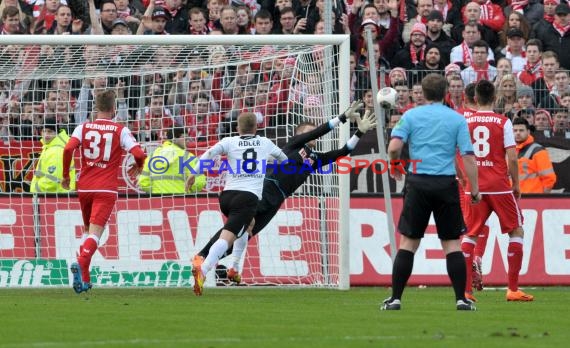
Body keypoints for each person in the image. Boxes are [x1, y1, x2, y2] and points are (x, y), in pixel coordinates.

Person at [194, 102, 376, 283]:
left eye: (311, 131)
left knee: (246, 232)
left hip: (278, 199)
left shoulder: (314, 159)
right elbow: (318, 131)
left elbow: (342, 152)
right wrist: (342, 117)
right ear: (299, 134)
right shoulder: (294, 145)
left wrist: (359, 132)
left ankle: (232, 267)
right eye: (307, 131)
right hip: (266, 189)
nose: (311, 133)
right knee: (236, 227)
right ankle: (203, 257)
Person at [382, 73, 480, 311]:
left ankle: (395, 299)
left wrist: (395, 165)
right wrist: (474, 189)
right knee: (452, 244)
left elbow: (394, 147)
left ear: (422, 94)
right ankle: (461, 299)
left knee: (408, 243)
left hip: (418, 184)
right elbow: (467, 156)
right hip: (446, 183)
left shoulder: (410, 115)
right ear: (446, 93)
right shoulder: (457, 119)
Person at [186, 112, 288, 296]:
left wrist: (194, 173)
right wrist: (267, 161)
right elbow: (284, 160)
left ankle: (234, 268)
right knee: (228, 238)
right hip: (247, 198)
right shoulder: (265, 143)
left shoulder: (230, 141)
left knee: (249, 224)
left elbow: (210, 153)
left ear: (237, 128)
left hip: (227, 196)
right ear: (256, 127)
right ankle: (204, 268)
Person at [62, 90, 147, 294]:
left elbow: (67, 150)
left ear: (96, 108)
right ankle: (81, 261)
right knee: (96, 234)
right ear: (114, 109)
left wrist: (66, 175)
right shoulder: (120, 130)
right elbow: (138, 153)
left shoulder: (83, 127)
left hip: (84, 187)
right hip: (106, 188)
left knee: (87, 231)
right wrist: (139, 165)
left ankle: (86, 279)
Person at [461, 80, 534, 302]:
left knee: (470, 235)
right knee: (516, 232)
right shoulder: (503, 122)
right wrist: (516, 184)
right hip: (500, 187)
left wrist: (465, 179)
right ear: (495, 98)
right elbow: (512, 157)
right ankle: (512, 289)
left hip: (473, 187)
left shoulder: (465, 122)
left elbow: (460, 153)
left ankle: (466, 291)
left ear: (474, 98)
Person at [138, 127, 206, 194]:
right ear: (174, 139)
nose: (187, 140)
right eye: (184, 137)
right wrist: (189, 189)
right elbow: (199, 182)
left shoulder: (152, 156)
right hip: (181, 201)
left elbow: (144, 183)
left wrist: (157, 191)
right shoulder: (189, 157)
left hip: (158, 201)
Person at [30, 118, 76, 193]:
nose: (46, 135)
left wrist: (35, 188)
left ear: (56, 133)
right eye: (44, 131)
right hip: (60, 195)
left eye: (50, 131)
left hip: (56, 197)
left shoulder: (56, 150)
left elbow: (52, 181)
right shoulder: (51, 147)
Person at [513, 118, 557, 193]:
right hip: (513, 198)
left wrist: (541, 199)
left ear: (528, 132)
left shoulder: (538, 151)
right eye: (515, 130)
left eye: (521, 130)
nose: (518, 133)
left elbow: (549, 178)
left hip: (531, 198)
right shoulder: (510, 151)